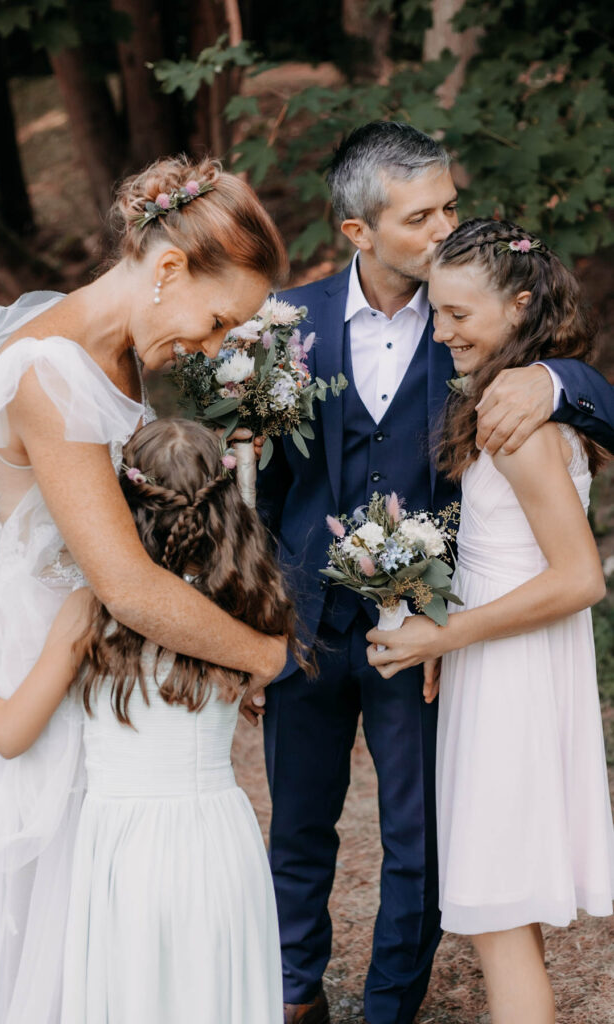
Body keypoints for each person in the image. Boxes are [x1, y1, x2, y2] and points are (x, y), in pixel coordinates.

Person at [253, 123, 614, 1024]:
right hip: (304, 620)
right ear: (358, 232)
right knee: (297, 826)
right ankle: (294, 997)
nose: (446, 224)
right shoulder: (283, 324)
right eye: (423, 215)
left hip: (427, 633)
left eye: (451, 205)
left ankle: (389, 1008)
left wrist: (561, 383)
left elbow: (569, 379)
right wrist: (254, 612)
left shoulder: (474, 329)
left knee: (420, 842)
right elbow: (255, 486)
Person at [0, 156, 289, 1024]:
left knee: (115, 947)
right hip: (55, 678)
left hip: (109, 676)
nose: (210, 346)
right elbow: (124, 582)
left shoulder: (115, 355)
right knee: (55, 948)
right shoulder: (50, 374)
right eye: (214, 321)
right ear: (166, 268)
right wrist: (262, 656)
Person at [0, 417, 308, 1024]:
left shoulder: (90, 609)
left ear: (121, 504)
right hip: (220, 840)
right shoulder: (248, 598)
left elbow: (9, 734)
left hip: (125, 851)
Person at [368, 218, 614, 1023]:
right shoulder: (505, 404)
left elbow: (579, 578)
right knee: (504, 922)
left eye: (458, 316)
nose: (440, 333)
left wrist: (441, 635)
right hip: (502, 668)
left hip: (510, 686)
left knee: (500, 927)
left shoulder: (520, 425)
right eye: (434, 313)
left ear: (516, 307)